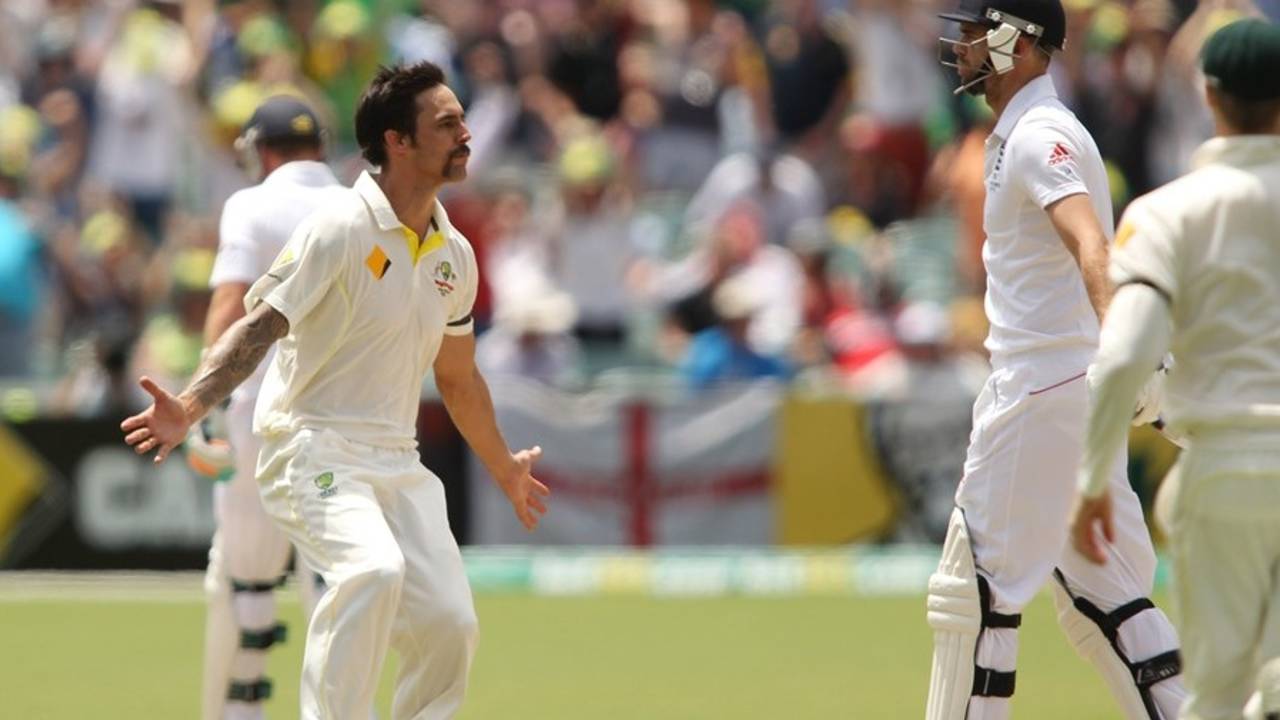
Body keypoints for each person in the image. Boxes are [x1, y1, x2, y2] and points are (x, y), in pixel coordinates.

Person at [121, 61, 550, 719]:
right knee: (370, 572)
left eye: (463, 119)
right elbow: (258, 325)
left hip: (396, 463)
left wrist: (505, 470)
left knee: (449, 624)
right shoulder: (339, 227)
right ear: (396, 141)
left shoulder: (454, 255)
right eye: (447, 123)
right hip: (311, 448)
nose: (466, 134)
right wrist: (193, 404)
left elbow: (459, 381)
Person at [925, 2, 1185, 718]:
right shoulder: (1019, 132)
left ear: (1020, 39)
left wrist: (1125, 348)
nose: (964, 43)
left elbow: (1092, 250)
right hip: (1062, 389)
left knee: (972, 597)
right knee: (1110, 601)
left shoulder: (1042, 135)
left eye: (978, 29)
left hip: (1041, 391)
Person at [1069, 19, 1280, 720]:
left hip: (1221, 472)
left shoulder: (1166, 213)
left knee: (1217, 691)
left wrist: (1093, 478)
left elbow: (1126, 353)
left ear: (1209, 96)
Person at [187, 95, 346, 720]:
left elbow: (230, 308)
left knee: (247, 581)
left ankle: (240, 710)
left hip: (258, 413)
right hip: (342, 417)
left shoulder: (250, 204)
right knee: (334, 583)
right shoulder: (362, 205)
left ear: (263, 151)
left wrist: (199, 398)